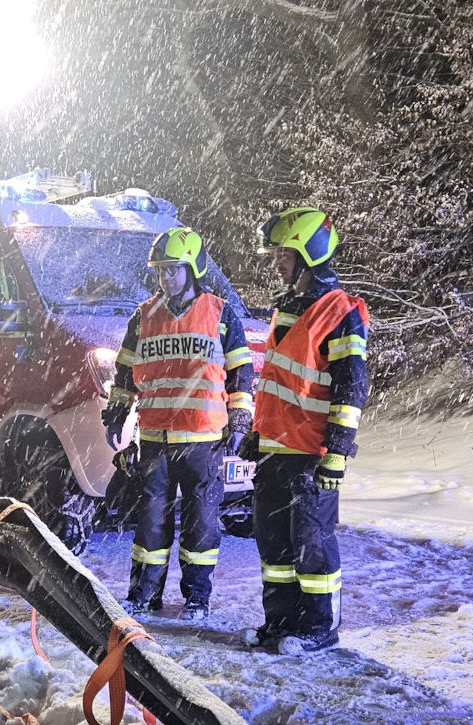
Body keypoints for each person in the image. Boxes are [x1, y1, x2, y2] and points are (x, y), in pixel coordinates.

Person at [102, 227, 255, 621]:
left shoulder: (220, 314)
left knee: (200, 527)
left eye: (172, 269)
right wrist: (116, 414)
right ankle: (143, 595)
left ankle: (197, 600)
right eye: (160, 270)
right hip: (155, 438)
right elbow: (123, 373)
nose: (165, 277)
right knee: (151, 525)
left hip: (204, 441)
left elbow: (241, 373)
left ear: (192, 268)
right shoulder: (144, 316)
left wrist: (239, 419)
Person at [243, 207, 369, 655]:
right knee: (274, 546)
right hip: (276, 450)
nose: (277, 260)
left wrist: (336, 452)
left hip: (311, 453)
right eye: (276, 251)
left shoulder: (340, 312)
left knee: (311, 546)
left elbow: (351, 388)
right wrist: (258, 434)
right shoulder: (287, 309)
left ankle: (320, 628)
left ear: (310, 252)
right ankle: (280, 623)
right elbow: (277, 384)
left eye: (284, 251)